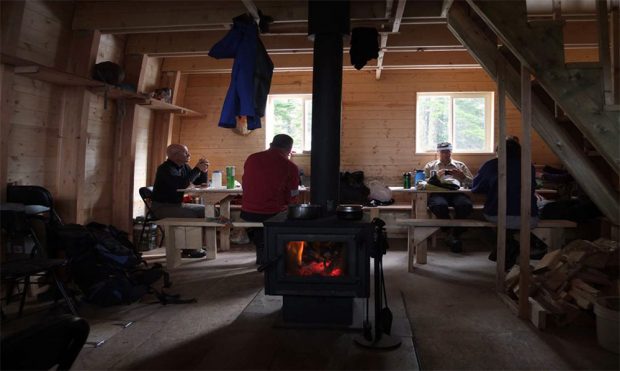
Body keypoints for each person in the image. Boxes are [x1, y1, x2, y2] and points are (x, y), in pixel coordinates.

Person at [472, 136, 539, 270]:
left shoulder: (491, 165)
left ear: (498, 151)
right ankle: (510, 245)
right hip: (528, 217)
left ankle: (505, 246)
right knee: (513, 215)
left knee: (477, 217)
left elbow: (476, 188)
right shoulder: (528, 165)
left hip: (497, 215)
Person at [241, 134, 300, 264]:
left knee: (261, 233)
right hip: (272, 214)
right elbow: (293, 195)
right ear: (289, 149)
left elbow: (245, 182)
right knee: (291, 217)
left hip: (247, 212)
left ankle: (262, 254)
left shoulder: (252, 158)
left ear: (271, 144)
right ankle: (279, 259)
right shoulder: (290, 166)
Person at [151, 144, 209, 258]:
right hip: (162, 207)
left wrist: (204, 170)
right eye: (185, 152)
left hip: (177, 205)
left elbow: (199, 183)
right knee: (191, 215)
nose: (189, 154)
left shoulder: (184, 166)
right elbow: (181, 184)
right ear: (174, 155)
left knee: (207, 211)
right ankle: (190, 249)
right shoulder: (165, 169)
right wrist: (197, 169)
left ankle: (196, 244)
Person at [423, 141, 474, 253]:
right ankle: (450, 233)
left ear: (451, 152)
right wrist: (435, 178)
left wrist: (463, 177)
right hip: (438, 193)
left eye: (448, 151)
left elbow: (473, 184)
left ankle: (452, 234)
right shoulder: (430, 166)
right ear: (438, 152)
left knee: (465, 205)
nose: (446, 154)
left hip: (456, 193)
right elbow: (422, 183)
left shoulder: (460, 165)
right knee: (439, 205)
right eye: (443, 152)